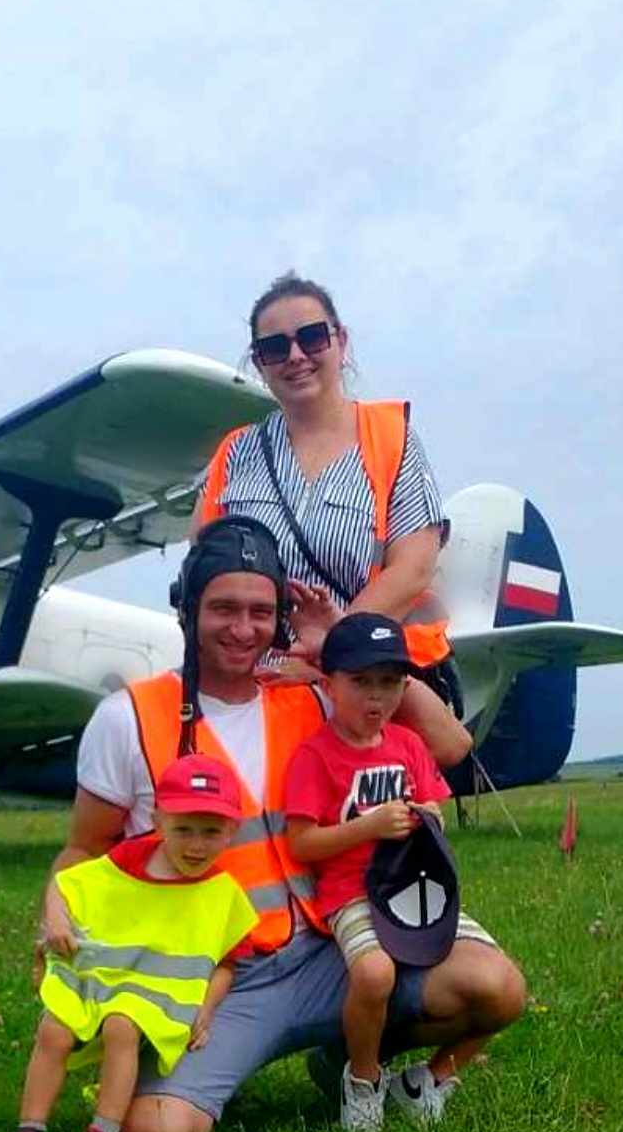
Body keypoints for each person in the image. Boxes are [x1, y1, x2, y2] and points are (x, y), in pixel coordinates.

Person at [48, 516, 525, 1132]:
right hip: (227, 978)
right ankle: (258, 1058)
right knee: (156, 1131)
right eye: (223, 609)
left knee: (496, 988)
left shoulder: (316, 698)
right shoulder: (127, 718)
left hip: (336, 950)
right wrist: (57, 923)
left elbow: (451, 745)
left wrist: (343, 646)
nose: (243, 629)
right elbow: (85, 848)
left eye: (260, 611)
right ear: (187, 609)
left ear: (280, 618)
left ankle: (348, 1057)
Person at [194, 272, 467, 765]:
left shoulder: (393, 438)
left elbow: (413, 569)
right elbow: (202, 567)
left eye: (312, 337)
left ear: (340, 341)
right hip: (253, 691)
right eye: (275, 347)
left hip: (361, 689)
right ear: (259, 361)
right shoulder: (233, 454)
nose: (295, 355)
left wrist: (335, 649)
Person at [7, 753, 260, 1132]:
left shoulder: (223, 893)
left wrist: (205, 1009)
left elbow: (227, 964)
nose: (196, 845)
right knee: (54, 1029)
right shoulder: (128, 860)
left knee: (121, 1025)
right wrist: (56, 920)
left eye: (211, 832)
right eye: (183, 829)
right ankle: (29, 1130)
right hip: (99, 976)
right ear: (158, 821)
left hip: (160, 996)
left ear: (232, 831)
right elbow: (67, 884)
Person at [282, 612, 454, 1132]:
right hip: (351, 892)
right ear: (329, 684)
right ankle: (363, 1080)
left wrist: (428, 815)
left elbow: (437, 808)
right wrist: (369, 827)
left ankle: (428, 1080)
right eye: (360, 681)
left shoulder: (408, 745)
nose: (376, 696)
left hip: (413, 886)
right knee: (375, 974)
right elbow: (301, 843)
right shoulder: (314, 755)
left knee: (507, 987)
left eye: (390, 681)